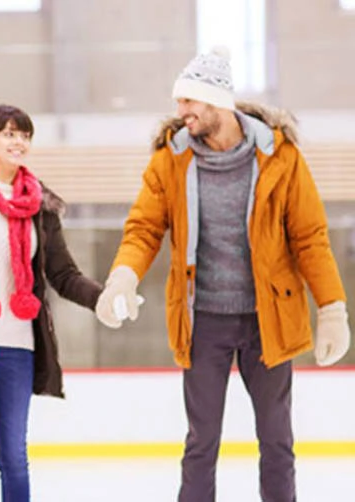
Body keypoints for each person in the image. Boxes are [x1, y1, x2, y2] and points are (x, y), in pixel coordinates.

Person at [95, 46, 351, 502]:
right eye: (179, 103)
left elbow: (310, 237)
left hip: (267, 317)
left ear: (216, 102)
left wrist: (331, 308)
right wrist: (123, 277)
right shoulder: (170, 160)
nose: (181, 112)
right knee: (201, 442)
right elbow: (144, 229)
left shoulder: (281, 157)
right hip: (203, 320)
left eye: (189, 102)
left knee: (277, 441)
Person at [0, 105, 103, 502]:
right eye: (9, 133)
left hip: (17, 345)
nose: (18, 142)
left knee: (13, 456)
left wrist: (104, 298)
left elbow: (63, 275)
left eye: (25, 135)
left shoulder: (39, 204)